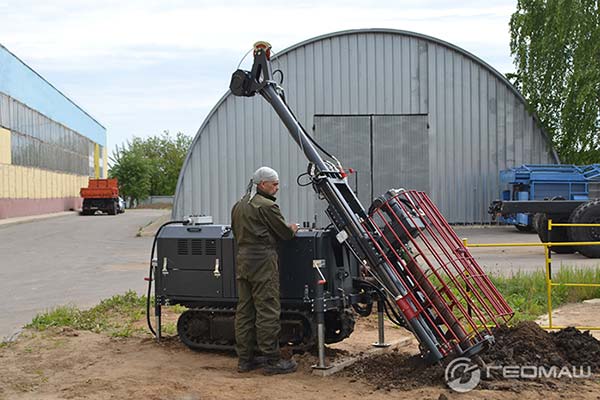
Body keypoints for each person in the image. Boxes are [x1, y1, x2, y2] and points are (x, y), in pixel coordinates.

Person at [231, 166, 299, 375]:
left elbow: (236, 232)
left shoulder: (239, 205)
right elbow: (284, 234)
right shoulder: (267, 206)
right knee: (267, 309)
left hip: (243, 260)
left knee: (245, 310)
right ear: (262, 184)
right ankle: (271, 360)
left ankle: (245, 360)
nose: (277, 188)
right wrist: (292, 228)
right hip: (262, 261)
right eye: (274, 184)